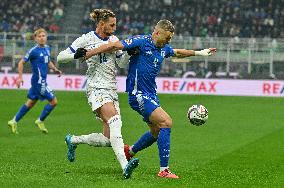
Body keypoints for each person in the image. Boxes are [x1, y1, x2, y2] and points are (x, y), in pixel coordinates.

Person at [82, 19, 217, 179]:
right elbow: (114, 46)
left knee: (156, 131)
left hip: (151, 94)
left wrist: (200, 53)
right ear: (157, 32)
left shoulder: (164, 48)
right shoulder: (141, 42)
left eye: (170, 39)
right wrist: (89, 53)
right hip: (138, 94)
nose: (169, 41)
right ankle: (164, 170)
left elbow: (178, 52)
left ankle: (129, 151)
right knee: (166, 122)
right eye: (167, 38)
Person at [56, 9, 139, 179]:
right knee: (115, 122)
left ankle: (73, 140)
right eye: (112, 24)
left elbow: (121, 64)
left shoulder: (114, 40)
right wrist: (74, 55)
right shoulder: (86, 39)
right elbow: (60, 57)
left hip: (111, 90)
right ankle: (125, 166)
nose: (115, 28)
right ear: (101, 24)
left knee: (108, 139)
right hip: (96, 88)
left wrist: (130, 54)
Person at [8, 28, 62, 134]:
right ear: (35, 39)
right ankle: (40, 120)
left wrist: (55, 69)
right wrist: (20, 77)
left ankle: (14, 121)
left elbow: (48, 61)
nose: (42, 38)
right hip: (39, 82)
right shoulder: (33, 51)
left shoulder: (47, 48)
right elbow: (21, 63)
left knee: (30, 103)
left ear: (46, 37)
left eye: (43, 36)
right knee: (54, 101)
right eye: (39, 36)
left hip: (40, 81)